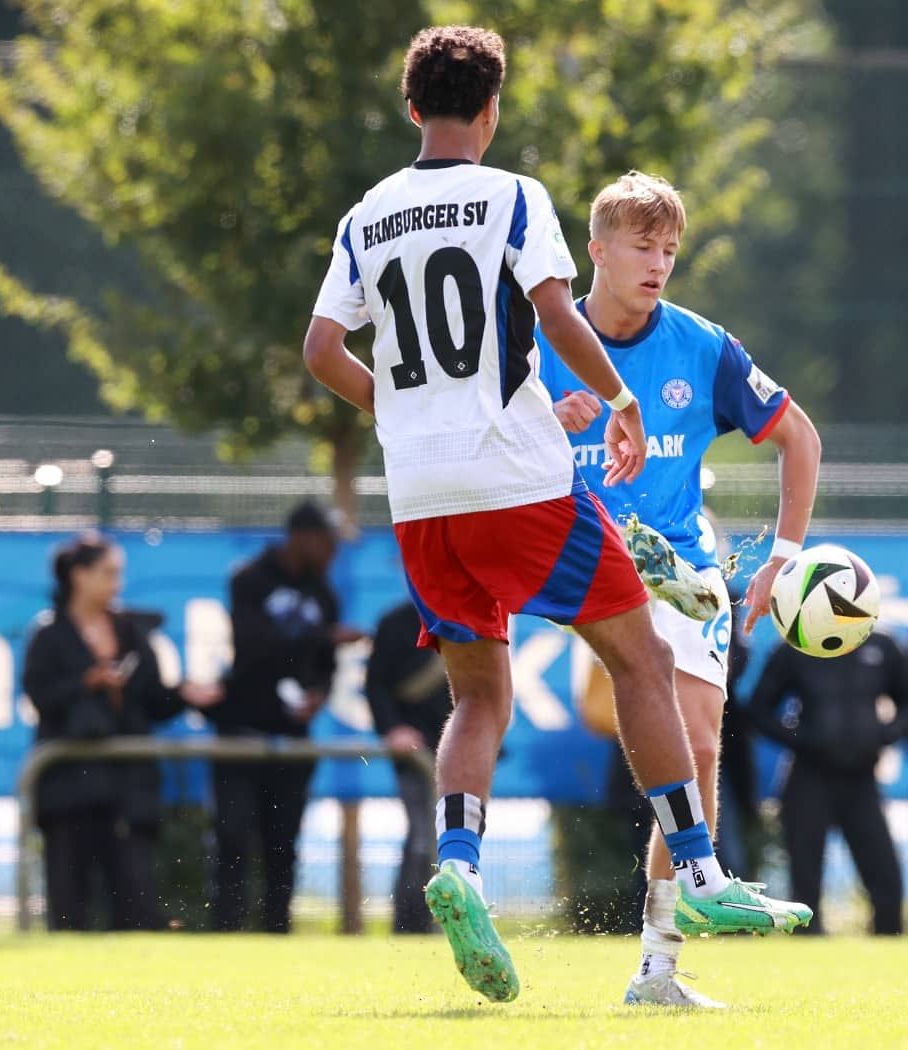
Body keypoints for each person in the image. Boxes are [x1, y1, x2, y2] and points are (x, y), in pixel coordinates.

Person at [301, 25, 805, 1005]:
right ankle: (699, 871)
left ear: (413, 110)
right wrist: (618, 400)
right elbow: (559, 313)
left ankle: (460, 861)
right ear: (490, 112)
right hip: (518, 487)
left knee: (476, 697)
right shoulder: (510, 197)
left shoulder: (369, 215)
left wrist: (408, 414)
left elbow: (323, 348)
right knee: (643, 661)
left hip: (423, 498)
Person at [535, 170, 821, 1006]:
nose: (658, 262)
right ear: (596, 250)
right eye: (641, 245)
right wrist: (548, 423)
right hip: (564, 553)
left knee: (700, 745)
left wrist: (784, 556)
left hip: (674, 567)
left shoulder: (702, 346)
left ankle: (658, 966)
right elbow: (483, 436)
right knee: (488, 697)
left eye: (669, 248)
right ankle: (460, 870)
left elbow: (799, 439)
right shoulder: (538, 338)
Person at [22, 533, 222, 930]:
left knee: (136, 897)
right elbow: (38, 692)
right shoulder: (49, 635)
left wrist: (184, 693)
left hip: (128, 789)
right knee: (70, 901)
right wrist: (87, 682)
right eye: (108, 573)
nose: (117, 583)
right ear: (79, 576)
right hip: (71, 789)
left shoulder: (130, 632)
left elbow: (152, 699)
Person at [208, 500, 359, 933]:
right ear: (303, 537)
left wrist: (319, 695)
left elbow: (327, 665)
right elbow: (254, 643)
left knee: (283, 840)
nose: (332, 552)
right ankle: (226, 930)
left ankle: (277, 929)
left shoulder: (324, 592)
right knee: (233, 835)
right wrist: (325, 635)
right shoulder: (250, 579)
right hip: (240, 726)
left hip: (292, 734)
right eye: (328, 541)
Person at [747, 628, 908, 936]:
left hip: (861, 780)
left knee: (887, 881)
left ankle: (891, 963)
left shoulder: (881, 644)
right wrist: (802, 739)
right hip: (809, 777)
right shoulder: (797, 647)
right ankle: (808, 965)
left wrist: (884, 734)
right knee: (805, 888)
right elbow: (759, 707)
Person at [365, 598, 454, 934]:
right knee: (423, 836)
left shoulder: (473, 613)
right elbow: (376, 685)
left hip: (461, 750)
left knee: (451, 835)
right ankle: (413, 924)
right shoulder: (397, 622)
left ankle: (444, 921)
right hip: (417, 752)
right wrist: (392, 727)